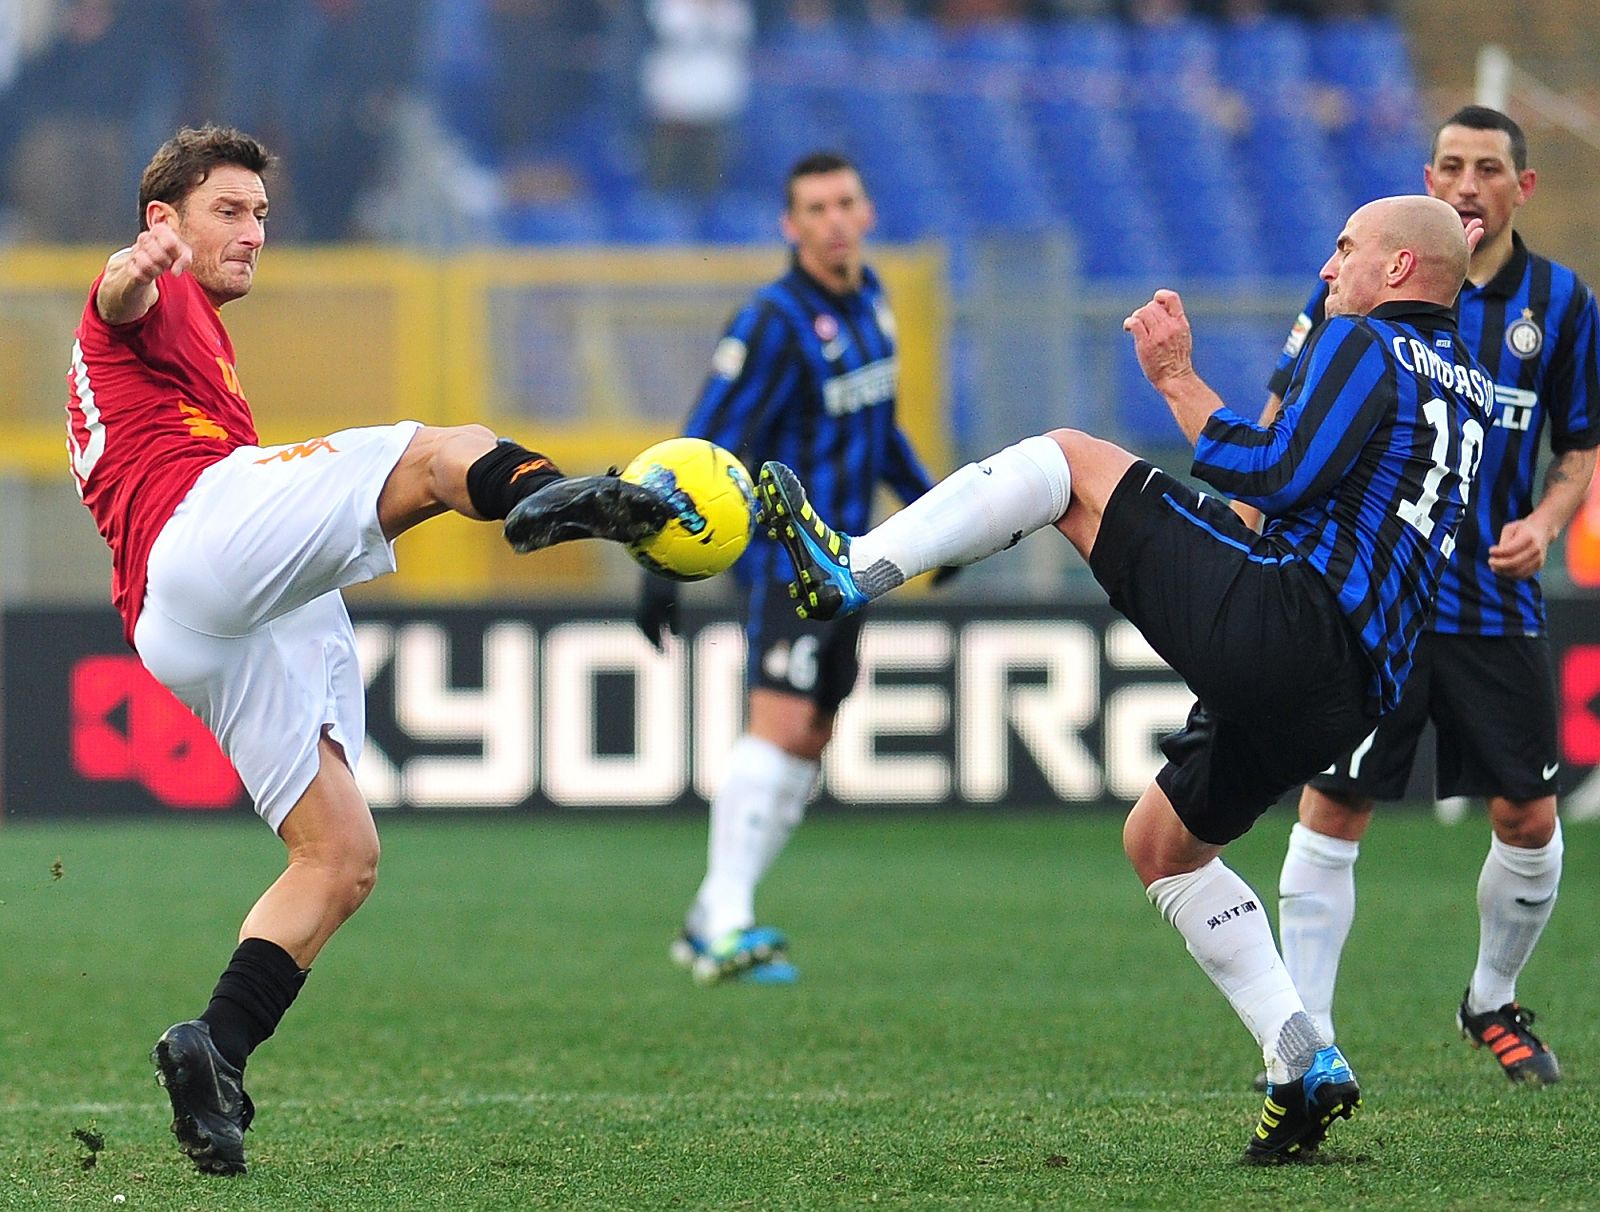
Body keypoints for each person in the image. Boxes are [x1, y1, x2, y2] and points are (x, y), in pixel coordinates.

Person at [758, 194, 1489, 1161]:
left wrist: (1176, 377)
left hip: (1295, 625)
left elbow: (1269, 474)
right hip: (1350, 697)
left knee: (1065, 461)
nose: (1328, 268)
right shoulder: (1469, 386)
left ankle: (852, 567)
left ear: (1398, 270)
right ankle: (1301, 1055)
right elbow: (1314, 504)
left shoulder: (1367, 346)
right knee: (1162, 844)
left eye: (1346, 248)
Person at [65, 125, 668, 1176]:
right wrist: (133, 267)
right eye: (228, 210)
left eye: (260, 213)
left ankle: (217, 1053)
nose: (254, 232)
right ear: (163, 219)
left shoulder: (192, 329)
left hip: (184, 620)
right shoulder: (151, 292)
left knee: (340, 855)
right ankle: (543, 496)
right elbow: (118, 294)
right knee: (438, 449)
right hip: (197, 531)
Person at [1262, 106, 1599, 1089]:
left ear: (1518, 189)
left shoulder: (1560, 304)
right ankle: (1303, 1037)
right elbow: (1285, 405)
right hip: (1378, 596)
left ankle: (1490, 999)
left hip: (1493, 602)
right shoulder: (1366, 276)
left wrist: (1544, 522)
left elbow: (1579, 447)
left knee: (1530, 820)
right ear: (1427, 178)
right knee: (1335, 804)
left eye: (1486, 168)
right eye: (1448, 165)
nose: (1464, 184)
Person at [634, 151, 946, 984]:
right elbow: (704, 442)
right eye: (815, 208)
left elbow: (881, 429)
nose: (834, 219)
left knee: (809, 738)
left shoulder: (875, 303)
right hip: (784, 559)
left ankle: (709, 918)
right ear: (791, 225)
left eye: (845, 201)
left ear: (867, 210)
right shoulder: (770, 320)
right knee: (777, 729)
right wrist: (659, 565)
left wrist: (932, 520)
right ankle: (727, 924)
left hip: (855, 559)